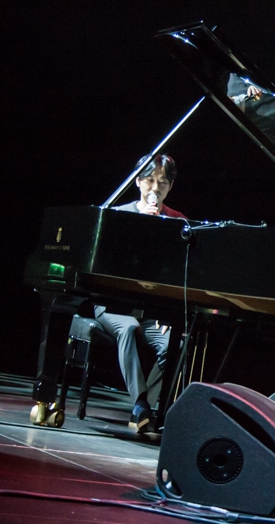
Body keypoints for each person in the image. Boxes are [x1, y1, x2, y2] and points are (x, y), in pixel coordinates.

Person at [96, 153, 186, 433]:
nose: (155, 189)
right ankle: (140, 405)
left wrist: (167, 312)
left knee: (176, 344)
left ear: (170, 187)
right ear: (137, 182)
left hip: (152, 311)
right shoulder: (120, 215)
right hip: (113, 306)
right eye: (149, 181)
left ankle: (147, 406)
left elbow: (177, 274)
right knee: (129, 329)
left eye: (162, 182)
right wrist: (141, 228)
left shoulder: (178, 221)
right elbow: (107, 266)